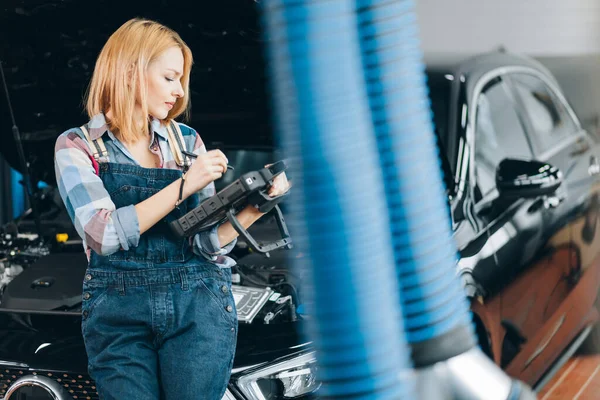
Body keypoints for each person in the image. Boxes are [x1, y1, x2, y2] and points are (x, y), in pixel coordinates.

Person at [53, 18, 289, 400]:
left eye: (181, 79)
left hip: (198, 304)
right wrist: (186, 184)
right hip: (117, 310)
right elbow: (104, 234)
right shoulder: (78, 145)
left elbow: (207, 244)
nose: (179, 92)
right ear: (131, 72)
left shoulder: (187, 142)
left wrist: (257, 207)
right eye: (169, 77)